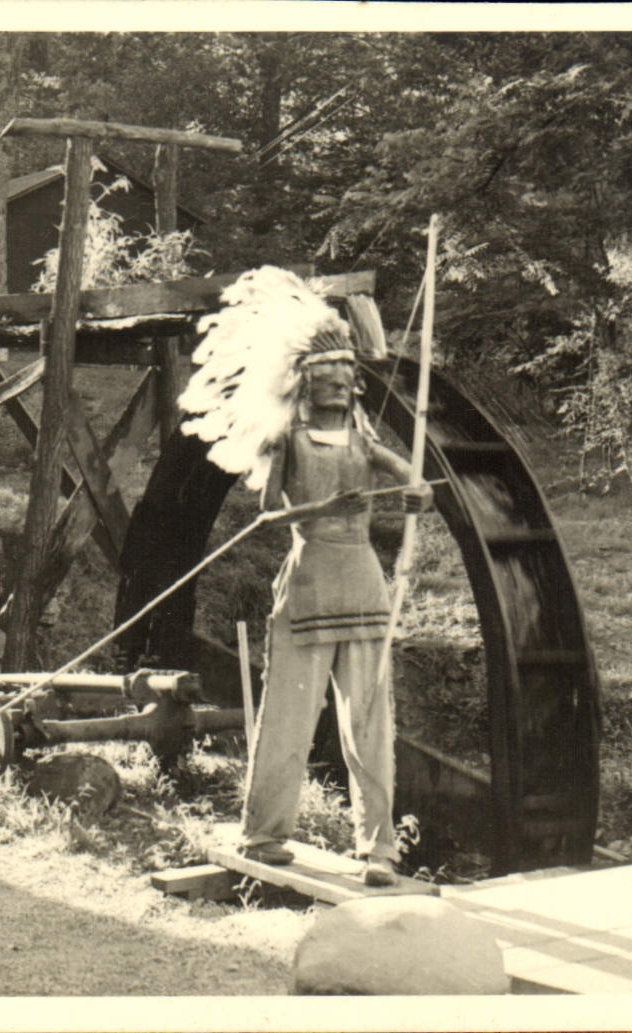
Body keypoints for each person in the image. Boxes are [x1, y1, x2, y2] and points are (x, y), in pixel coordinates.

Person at [239, 334, 433, 887]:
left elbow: (414, 481)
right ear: (308, 382)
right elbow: (266, 516)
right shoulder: (288, 439)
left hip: (363, 585)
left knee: (370, 720)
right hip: (310, 582)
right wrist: (323, 507)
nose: (341, 384)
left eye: (347, 376)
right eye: (329, 377)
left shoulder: (363, 440)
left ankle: (379, 850)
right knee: (288, 717)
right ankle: (263, 833)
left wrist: (419, 494)